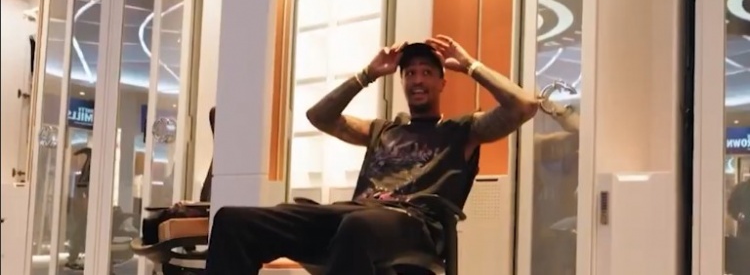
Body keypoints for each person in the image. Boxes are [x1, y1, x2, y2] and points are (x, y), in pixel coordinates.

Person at [205, 36, 540, 274]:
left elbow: (523, 105)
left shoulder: (461, 131)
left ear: (442, 83)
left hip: (413, 223)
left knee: (357, 226)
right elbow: (318, 117)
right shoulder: (382, 130)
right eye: (410, 73)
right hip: (355, 215)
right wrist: (366, 74)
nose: (417, 80)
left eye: (427, 72)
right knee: (234, 221)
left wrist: (470, 65)